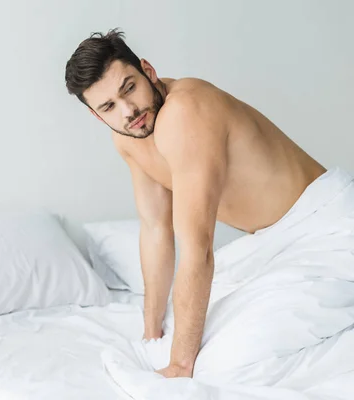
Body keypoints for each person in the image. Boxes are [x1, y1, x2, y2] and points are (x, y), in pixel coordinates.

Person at [64, 29, 327, 379]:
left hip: (327, 226)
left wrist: (180, 365)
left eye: (129, 87)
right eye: (109, 106)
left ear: (149, 71)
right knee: (185, 319)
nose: (129, 110)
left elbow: (198, 248)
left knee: (221, 360)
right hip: (272, 243)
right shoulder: (128, 136)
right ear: (98, 117)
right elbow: (156, 228)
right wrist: (151, 332)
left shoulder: (185, 111)